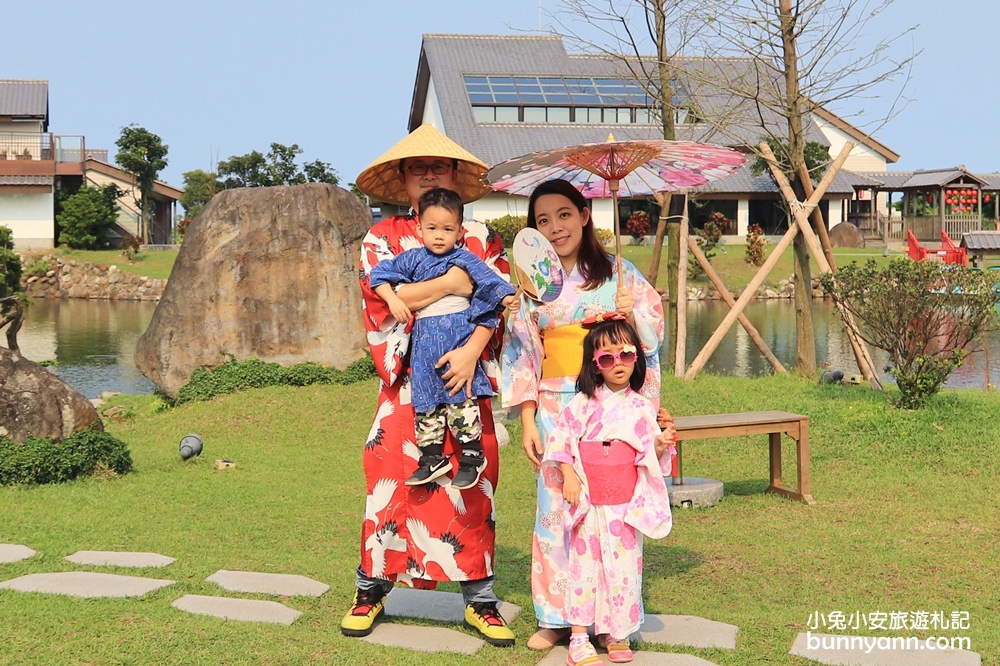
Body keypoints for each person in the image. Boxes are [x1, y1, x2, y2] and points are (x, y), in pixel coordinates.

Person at [345, 124, 515, 647]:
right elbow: (380, 305)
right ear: (402, 180)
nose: (427, 174)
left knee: (471, 480)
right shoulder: (381, 237)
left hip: (465, 377)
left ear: (455, 177)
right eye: (416, 168)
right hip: (406, 389)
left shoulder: (481, 237)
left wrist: (470, 350)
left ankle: (480, 600)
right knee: (390, 479)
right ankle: (371, 589)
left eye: (437, 167)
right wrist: (449, 284)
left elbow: (497, 300)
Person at [501, 178, 668, 650]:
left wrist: (631, 316)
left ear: (585, 214)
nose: (555, 228)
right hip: (556, 409)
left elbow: (650, 343)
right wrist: (529, 418)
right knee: (556, 512)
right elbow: (523, 354)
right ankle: (556, 617)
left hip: (611, 412)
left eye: (564, 215)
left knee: (611, 516)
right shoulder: (534, 288)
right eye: (543, 221)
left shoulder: (621, 274)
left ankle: (612, 620)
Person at [544, 315, 674, 665]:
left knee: (624, 569)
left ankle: (617, 632)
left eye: (626, 355)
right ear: (594, 365)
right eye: (606, 358)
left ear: (637, 358)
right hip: (589, 498)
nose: (617, 364)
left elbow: (650, 456)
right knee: (583, 568)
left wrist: (660, 444)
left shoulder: (643, 408)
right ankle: (578, 636)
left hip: (625, 502)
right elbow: (560, 444)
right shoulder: (582, 404)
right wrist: (569, 476)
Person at [369, 187, 515, 490]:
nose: (439, 236)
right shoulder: (411, 260)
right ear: (419, 227)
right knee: (426, 400)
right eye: (432, 228)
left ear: (459, 231)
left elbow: (491, 284)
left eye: (447, 229)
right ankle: (431, 456)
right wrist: (392, 299)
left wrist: (507, 299)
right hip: (423, 343)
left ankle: (472, 455)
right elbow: (379, 275)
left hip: (458, 337)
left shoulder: (466, 259)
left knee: (460, 395)